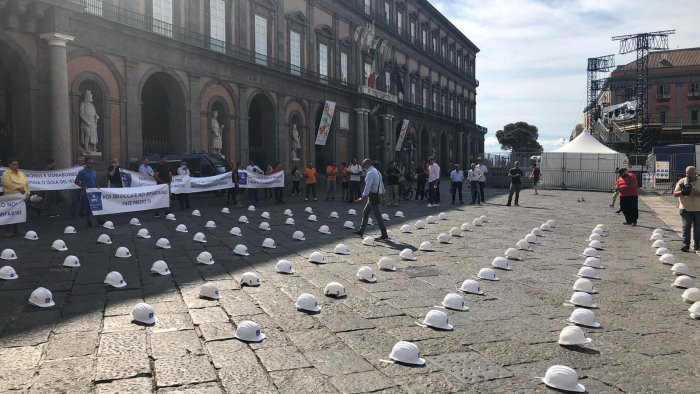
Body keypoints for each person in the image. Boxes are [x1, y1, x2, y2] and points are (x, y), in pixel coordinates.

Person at [354, 158, 389, 240]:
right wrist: (382, 197)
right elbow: (382, 185)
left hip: (373, 196)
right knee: (365, 213)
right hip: (374, 196)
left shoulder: (370, 173)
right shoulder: (377, 172)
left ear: (367, 164)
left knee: (378, 216)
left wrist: (362, 197)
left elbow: (367, 186)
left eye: (363, 166)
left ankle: (384, 234)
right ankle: (361, 231)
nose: (363, 167)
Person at [674, 166, 700, 252]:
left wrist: (693, 191)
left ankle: (697, 244)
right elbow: (675, 194)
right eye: (686, 173)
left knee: (697, 228)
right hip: (685, 209)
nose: (688, 175)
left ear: (695, 173)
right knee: (686, 227)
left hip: (698, 209)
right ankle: (686, 245)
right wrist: (683, 191)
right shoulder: (682, 181)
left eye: (690, 173)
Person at [1, 158, 29, 236]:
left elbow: (26, 184)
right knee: (9, 214)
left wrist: (28, 194)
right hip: (10, 197)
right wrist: (18, 188)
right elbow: (7, 183)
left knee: (18, 214)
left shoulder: (21, 174)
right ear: (9, 165)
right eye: (14, 164)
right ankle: (8, 231)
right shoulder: (6, 174)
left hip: (20, 197)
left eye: (17, 164)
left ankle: (16, 230)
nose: (16, 165)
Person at [74, 158, 102, 228]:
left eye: (93, 163)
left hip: (94, 193)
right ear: (86, 164)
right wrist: (83, 187)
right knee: (88, 209)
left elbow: (94, 180)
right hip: (86, 193)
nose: (92, 164)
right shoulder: (82, 172)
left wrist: (97, 185)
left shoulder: (94, 171)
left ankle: (99, 220)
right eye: (90, 163)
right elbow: (76, 181)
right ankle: (88, 222)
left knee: (97, 207)